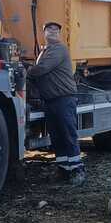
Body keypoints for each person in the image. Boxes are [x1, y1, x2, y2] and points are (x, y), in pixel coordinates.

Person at [26, 22, 86, 185]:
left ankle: (77, 170)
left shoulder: (59, 49)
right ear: (43, 33)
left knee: (68, 134)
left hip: (63, 99)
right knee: (57, 137)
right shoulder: (45, 51)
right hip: (51, 101)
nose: (52, 32)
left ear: (59, 35)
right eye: (49, 29)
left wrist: (26, 71)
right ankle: (63, 169)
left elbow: (41, 69)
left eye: (56, 30)